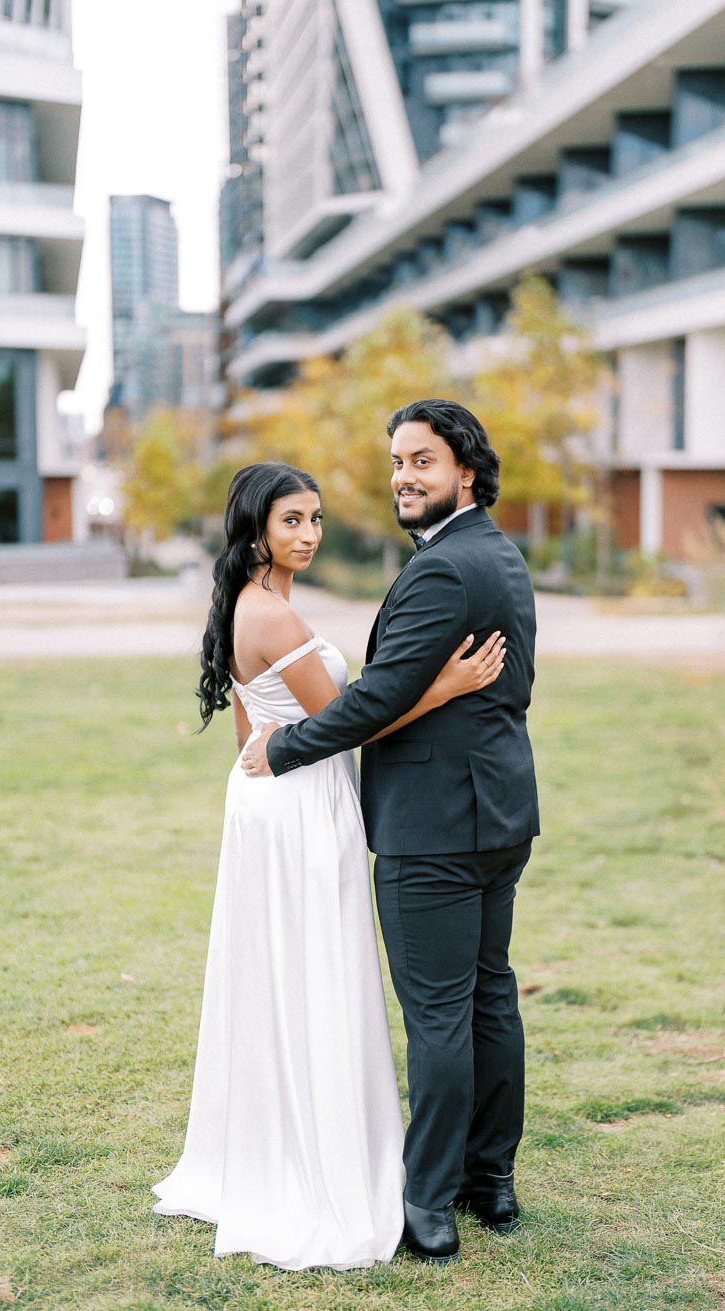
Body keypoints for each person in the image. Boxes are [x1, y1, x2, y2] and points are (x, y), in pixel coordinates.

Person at [152, 460, 506, 1272]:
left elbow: (256, 729)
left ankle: (293, 1135)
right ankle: (322, 1160)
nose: (308, 534)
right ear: (255, 528)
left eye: (315, 519)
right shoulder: (268, 615)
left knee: (290, 975)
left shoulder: (256, 604)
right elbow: (354, 721)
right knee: (315, 974)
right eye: (292, 522)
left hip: (274, 802)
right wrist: (444, 686)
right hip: (299, 810)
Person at [241, 400, 539, 1265]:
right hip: (496, 816)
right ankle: (493, 1182)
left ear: (466, 473)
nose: (405, 476)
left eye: (423, 461)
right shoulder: (501, 556)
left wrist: (285, 746)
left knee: (442, 1015)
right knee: (490, 996)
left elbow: (375, 698)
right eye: (398, 462)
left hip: (434, 827)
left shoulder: (446, 569)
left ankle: (430, 1201)